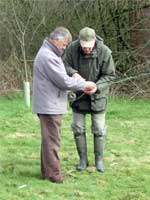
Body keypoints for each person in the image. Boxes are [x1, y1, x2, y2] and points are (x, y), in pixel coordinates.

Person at [32, 27, 96, 183]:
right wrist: (84, 84)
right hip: (49, 105)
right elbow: (63, 81)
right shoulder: (48, 56)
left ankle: (47, 172)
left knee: (48, 139)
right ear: (56, 40)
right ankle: (54, 174)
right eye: (64, 44)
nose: (65, 47)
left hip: (49, 103)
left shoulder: (49, 53)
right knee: (52, 140)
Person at [63, 27, 115, 173]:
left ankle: (99, 160)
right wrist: (74, 74)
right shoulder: (71, 49)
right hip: (78, 95)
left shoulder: (105, 51)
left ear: (94, 42)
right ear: (79, 42)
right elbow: (63, 65)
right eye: (84, 47)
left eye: (89, 47)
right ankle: (82, 159)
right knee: (78, 129)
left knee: (99, 129)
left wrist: (96, 87)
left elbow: (110, 75)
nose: (86, 49)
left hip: (98, 96)